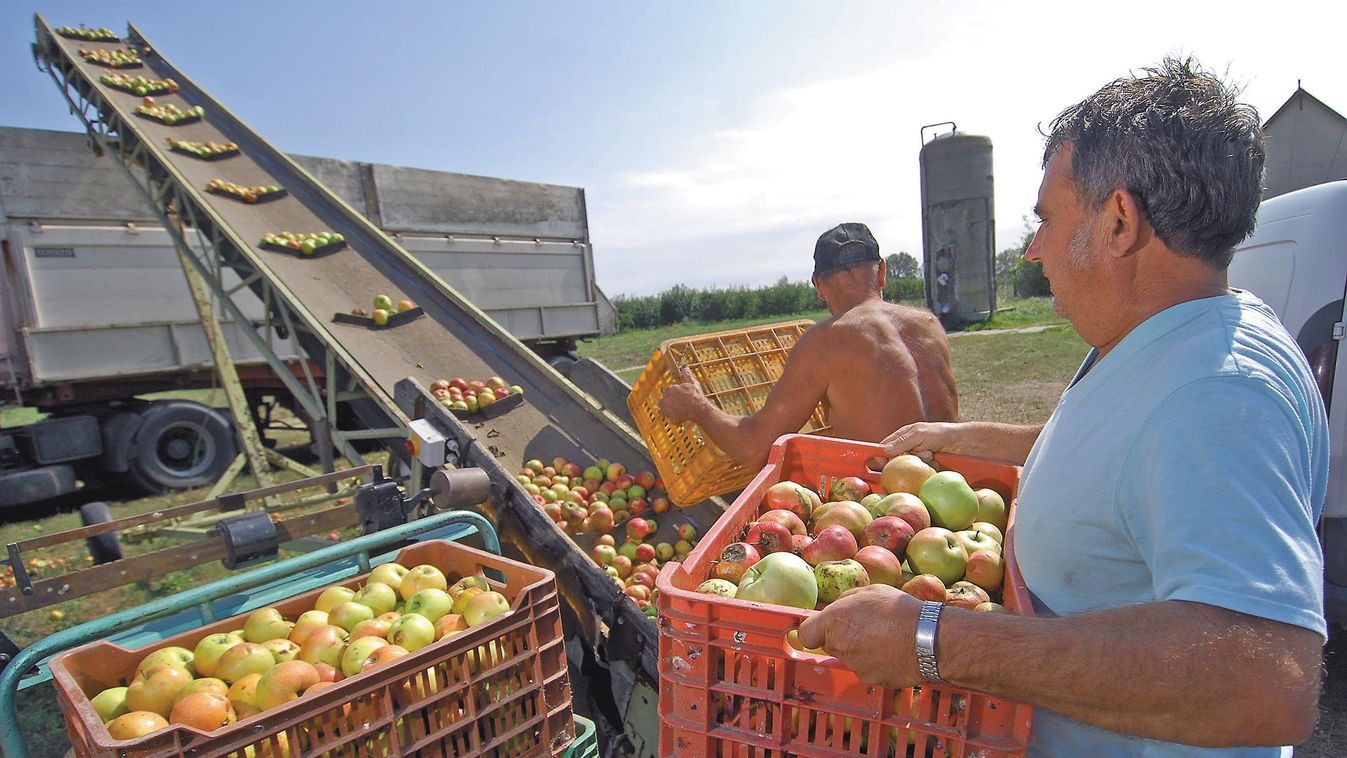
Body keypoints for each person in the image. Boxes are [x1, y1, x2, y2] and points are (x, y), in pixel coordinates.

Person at [799, 58, 1327, 754]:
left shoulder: (1216, 395)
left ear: (1117, 222)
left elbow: (1260, 680)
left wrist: (931, 640)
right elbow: (1120, 455)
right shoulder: (1177, 333)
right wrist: (961, 433)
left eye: (1047, 218)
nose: (1033, 248)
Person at [659, 222, 958, 469]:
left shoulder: (825, 341)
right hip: (960, 484)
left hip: (892, 504)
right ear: (881, 272)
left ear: (819, 286)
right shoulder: (928, 324)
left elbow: (754, 449)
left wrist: (697, 407)